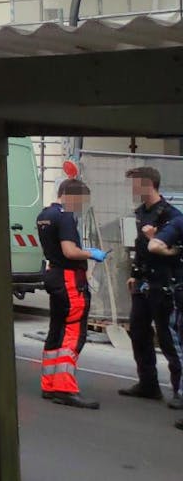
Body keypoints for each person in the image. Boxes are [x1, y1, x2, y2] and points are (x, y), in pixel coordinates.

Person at [37, 177, 106, 409]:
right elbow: (69, 251)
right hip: (69, 279)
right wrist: (91, 254)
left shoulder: (44, 215)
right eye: (80, 200)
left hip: (54, 274)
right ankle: (65, 387)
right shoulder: (66, 216)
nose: (80, 205)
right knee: (74, 333)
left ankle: (49, 383)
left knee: (56, 329)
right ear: (70, 195)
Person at [118, 167, 182, 405]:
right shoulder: (141, 214)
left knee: (169, 338)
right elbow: (140, 248)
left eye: (135, 184)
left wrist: (153, 239)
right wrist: (135, 273)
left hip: (165, 284)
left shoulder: (171, 216)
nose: (132, 189)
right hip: (144, 283)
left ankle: (179, 390)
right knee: (138, 331)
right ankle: (148, 384)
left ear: (148, 184)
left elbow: (172, 252)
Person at [141, 200, 183, 429]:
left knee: (174, 343)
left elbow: (154, 246)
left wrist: (169, 249)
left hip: (172, 287)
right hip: (167, 284)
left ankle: (179, 391)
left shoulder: (176, 221)